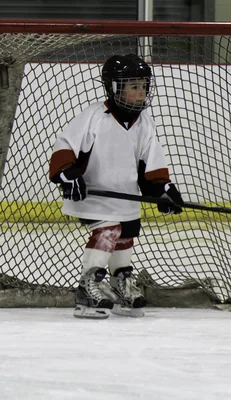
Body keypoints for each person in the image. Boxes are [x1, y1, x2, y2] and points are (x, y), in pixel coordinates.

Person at [48, 54, 184, 319]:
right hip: (91, 194)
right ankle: (88, 287)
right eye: (134, 87)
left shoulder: (144, 123)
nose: (141, 92)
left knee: (127, 233)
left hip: (125, 197)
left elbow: (150, 164)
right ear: (114, 87)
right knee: (108, 230)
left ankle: (119, 284)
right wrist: (68, 174)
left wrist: (163, 190)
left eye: (144, 86)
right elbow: (65, 145)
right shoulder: (94, 116)